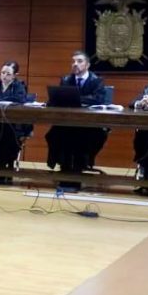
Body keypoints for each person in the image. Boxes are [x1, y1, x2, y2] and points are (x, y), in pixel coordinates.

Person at [46, 50, 108, 191]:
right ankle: (65, 171)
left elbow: (98, 99)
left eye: (79, 61)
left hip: (89, 125)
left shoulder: (96, 80)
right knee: (55, 134)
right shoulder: (66, 79)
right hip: (68, 123)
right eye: (73, 61)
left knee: (81, 138)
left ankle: (76, 174)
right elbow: (60, 97)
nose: (75, 64)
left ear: (87, 65)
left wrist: (76, 97)